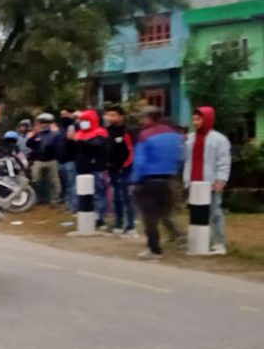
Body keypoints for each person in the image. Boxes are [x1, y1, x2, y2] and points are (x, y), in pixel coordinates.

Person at [132, 107, 185, 260]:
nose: (141, 121)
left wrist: (135, 180)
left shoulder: (145, 135)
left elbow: (140, 161)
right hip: (169, 178)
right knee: (166, 212)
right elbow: (181, 157)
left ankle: (154, 249)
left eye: (142, 118)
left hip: (148, 180)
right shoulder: (174, 134)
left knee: (149, 218)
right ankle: (179, 237)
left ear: (149, 118)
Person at [183, 106, 232, 254]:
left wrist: (221, 180)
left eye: (199, 119)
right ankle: (197, 242)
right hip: (194, 182)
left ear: (207, 119)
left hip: (210, 182)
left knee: (215, 212)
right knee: (195, 212)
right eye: (194, 119)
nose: (196, 122)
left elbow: (224, 161)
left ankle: (219, 243)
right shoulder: (190, 139)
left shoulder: (219, 139)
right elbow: (186, 160)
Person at [73, 110, 109, 229]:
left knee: (98, 194)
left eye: (85, 120)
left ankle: (100, 218)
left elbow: (95, 146)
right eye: (81, 120)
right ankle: (86, 216)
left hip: (96, 168)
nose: (83, 123)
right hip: (81, 168)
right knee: (83, 195)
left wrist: (80, 142)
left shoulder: (101, 133)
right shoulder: (78, 133)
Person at [105, 105, 136, 235]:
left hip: (125, 170)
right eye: (109, 115)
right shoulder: (108, 131)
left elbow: (131, 151)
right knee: (116, 197)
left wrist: (125, 166)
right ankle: (118, 222)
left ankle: (130, 225)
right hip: (112, 169)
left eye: (114, 115)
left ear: (121, 116)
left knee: (127, 197)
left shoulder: (127, 131)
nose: (111, 118)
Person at [26, 113, 63, 204]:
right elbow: (29, 145)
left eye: (46, 122)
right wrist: (34, 135)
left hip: (52, 160)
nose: (44, 124)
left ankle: (55, 198)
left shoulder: (55, 134)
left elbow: (59, 146)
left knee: (54, 180)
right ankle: (37, 198)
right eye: (42, 122)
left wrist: (52, 149)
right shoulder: (37, 135)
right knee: (35, 180)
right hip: (39, 160)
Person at [57, 111, 78, 211]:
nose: (63, 116)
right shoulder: (61, 129)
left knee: (72, 184)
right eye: (61, 114)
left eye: (66, 114)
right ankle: (68, 204)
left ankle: (74, 206)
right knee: (65, 185)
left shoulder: (74, 126)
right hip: (61, 161)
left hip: (71, 161)